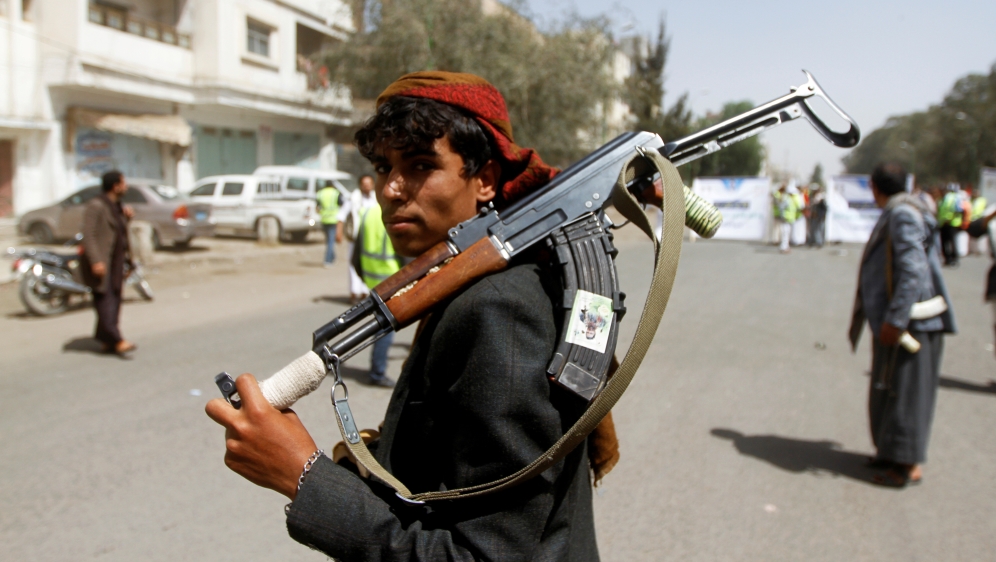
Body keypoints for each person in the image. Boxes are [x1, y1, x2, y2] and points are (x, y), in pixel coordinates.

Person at [205, 71, 619, 560]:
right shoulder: (461, 290)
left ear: (484, 179)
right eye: (383, 168)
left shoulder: (498, 310)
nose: (392, 189)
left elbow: (483, 554)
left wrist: (303, 476)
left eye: (421, 165)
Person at [848, 163, 956, 487]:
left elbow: (912, 271)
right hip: (899, 320)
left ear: (874, 187)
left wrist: (896, 319)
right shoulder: (903, 209)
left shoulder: (902, 214)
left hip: (912, 323)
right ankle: (890, 451)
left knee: (908, 395)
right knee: (888, 388)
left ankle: (906, 464)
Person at [81, 170, 137, 355]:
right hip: (102, 263)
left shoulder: (116, 207)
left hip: (115, 263)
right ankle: (117, 339)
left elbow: (118, 234)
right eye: (123, 183)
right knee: (105, 301)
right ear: (116, 186)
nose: (126, 186)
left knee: (113, 301)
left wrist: (126, 218)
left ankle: (106, 340)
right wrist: (96, 261)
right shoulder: (96, 206)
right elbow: (88, 235)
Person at [351, 199, 402, 387]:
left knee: (381, 327)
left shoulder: (367, 212)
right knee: (385, 330)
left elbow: (355, 256)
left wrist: (366, 280)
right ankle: (377, 372)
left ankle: (377, 370)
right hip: (394, 281)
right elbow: (405, 257)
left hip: (373, 281)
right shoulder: (397, 212)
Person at [344, 174, 379, 303]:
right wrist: (338, 231)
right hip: (355, 237)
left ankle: (366, 292)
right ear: (360, 186)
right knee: (353, 264)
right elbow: (342, 215)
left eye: (369, 184)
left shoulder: (377, 198)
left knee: (367, 264)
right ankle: (354, 292)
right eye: (364, 184)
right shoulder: (354, 199)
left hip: (370, 237)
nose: (367, 187)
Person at [937, 183, 970, 266]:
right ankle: (948, 258)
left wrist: (949, 218)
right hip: (945, 223)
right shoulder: (944, 198)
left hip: (950, 223)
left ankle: (953, 258)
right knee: (946, 242)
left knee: (951, 241)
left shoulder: (954, 197)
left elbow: (959, 209)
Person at [316, 179, 345, 267]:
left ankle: (332, 257)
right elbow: (342, 204)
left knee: (329, 240)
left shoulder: (320, 193)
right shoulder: (336, 193)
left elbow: (317, 207)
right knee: (331, 241)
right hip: (334, 219)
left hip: (324, 219)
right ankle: (328, 260)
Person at [774, 184, 799, 253]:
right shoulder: (787, 199)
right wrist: (783, 216)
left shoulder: (789, 199)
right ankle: (783, 247)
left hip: (789, 219)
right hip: (786, 218)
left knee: (787, 233)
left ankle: (786, 246)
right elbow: (781, 208)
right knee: (785, 233)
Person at [807, 183, 827, 248]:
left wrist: (820, 216)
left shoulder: (821, 197)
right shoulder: (812, 197)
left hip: (818, 216)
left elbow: (823, 209)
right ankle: (813, 241)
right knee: (813, 229)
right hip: (814, 216)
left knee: (818, 229)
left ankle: (819, 242)